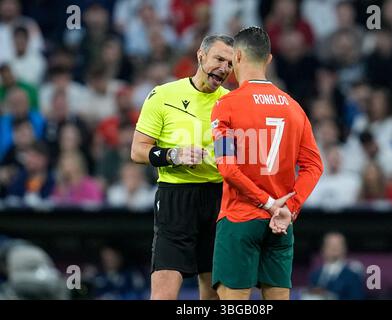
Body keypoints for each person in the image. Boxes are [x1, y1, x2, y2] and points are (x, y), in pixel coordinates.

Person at [210, 26, 323, 300]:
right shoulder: (294, 107)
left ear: (237, 57)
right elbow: (314, 166)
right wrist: (288, 208)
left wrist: (267, 203)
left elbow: (227, 167)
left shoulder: (227, 105)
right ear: (269, 59)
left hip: (240, 219)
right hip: (281, 225)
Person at [130, 34, 235, 300]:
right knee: (164, 292)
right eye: (219, 59)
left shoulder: (231, 102)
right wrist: (173, 155)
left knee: (211, 292)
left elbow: (233, 156)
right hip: (175, 197)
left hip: (218, 198)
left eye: (230, 64)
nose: (224, 68)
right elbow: (138, 150)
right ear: (201, 55)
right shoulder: (163, 95)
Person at [307, 232, 365, 300]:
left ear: (344, 249)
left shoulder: (353, 277)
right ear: (323, 249)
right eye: (330, 245)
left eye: (338, 245)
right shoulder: (315, 275)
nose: (334, 249)